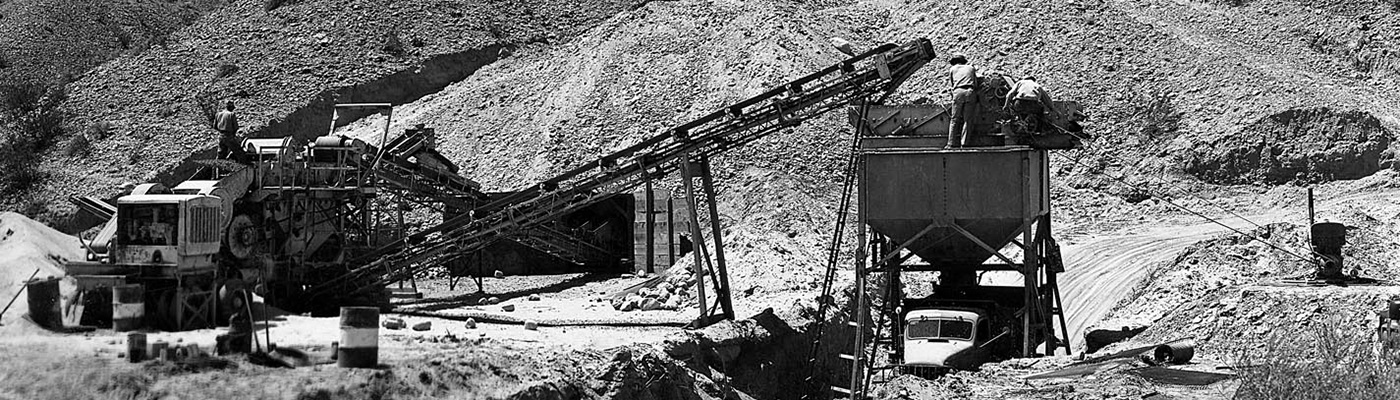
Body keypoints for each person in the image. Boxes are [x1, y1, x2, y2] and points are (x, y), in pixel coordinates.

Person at [946, 55, 978, 148]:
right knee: (967, 120)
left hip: (958, 92)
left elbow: (952, 84)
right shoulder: (971, 68)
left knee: (954, 119)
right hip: (969, 92)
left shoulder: (953, 69)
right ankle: (964, 143)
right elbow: (976, 83)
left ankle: (951, 143)